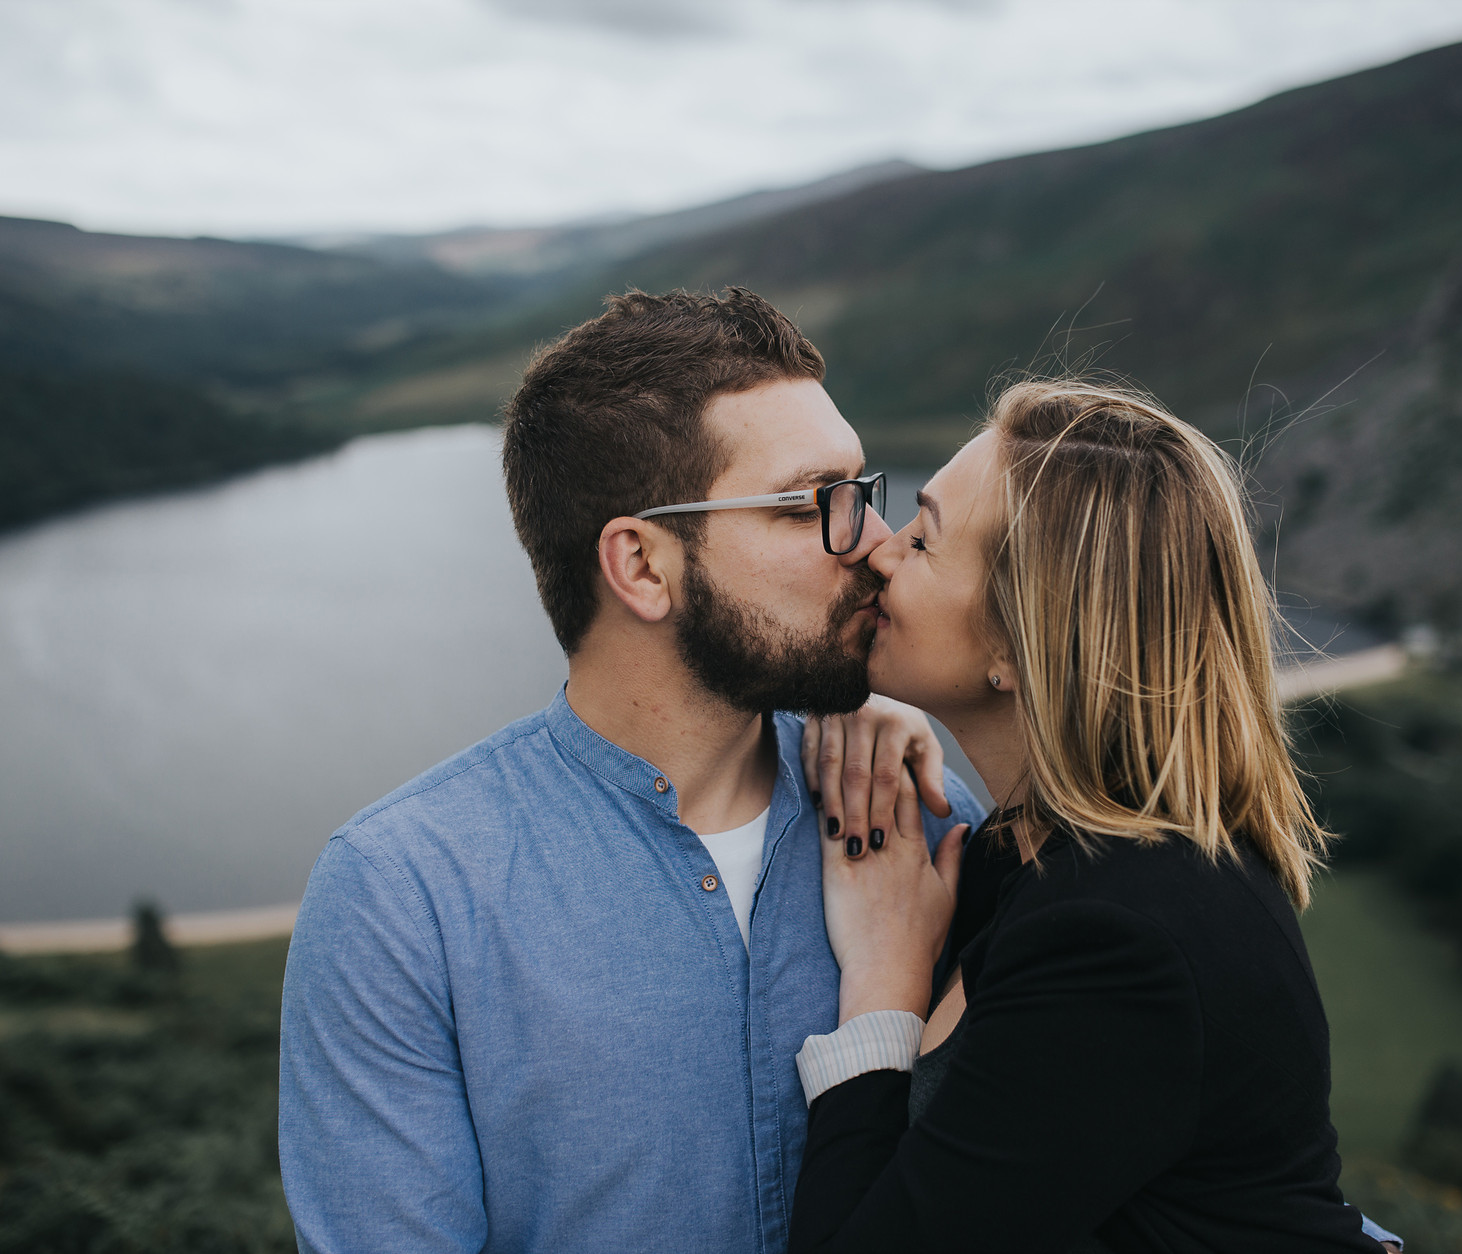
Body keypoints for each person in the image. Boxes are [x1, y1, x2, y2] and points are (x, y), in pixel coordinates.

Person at [277, 288, 990, 1254]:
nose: (872, 543)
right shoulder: (404, 897)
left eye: (862, 492)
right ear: (642, 567)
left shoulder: (926, 811)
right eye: (810, 503)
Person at [787, 379, 1402, 1252]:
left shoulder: (1123, 938)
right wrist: (854, 698)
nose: (880, 552)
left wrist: (883, 987)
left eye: (924, 538)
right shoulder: (1036, 850)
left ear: (1018, 638)